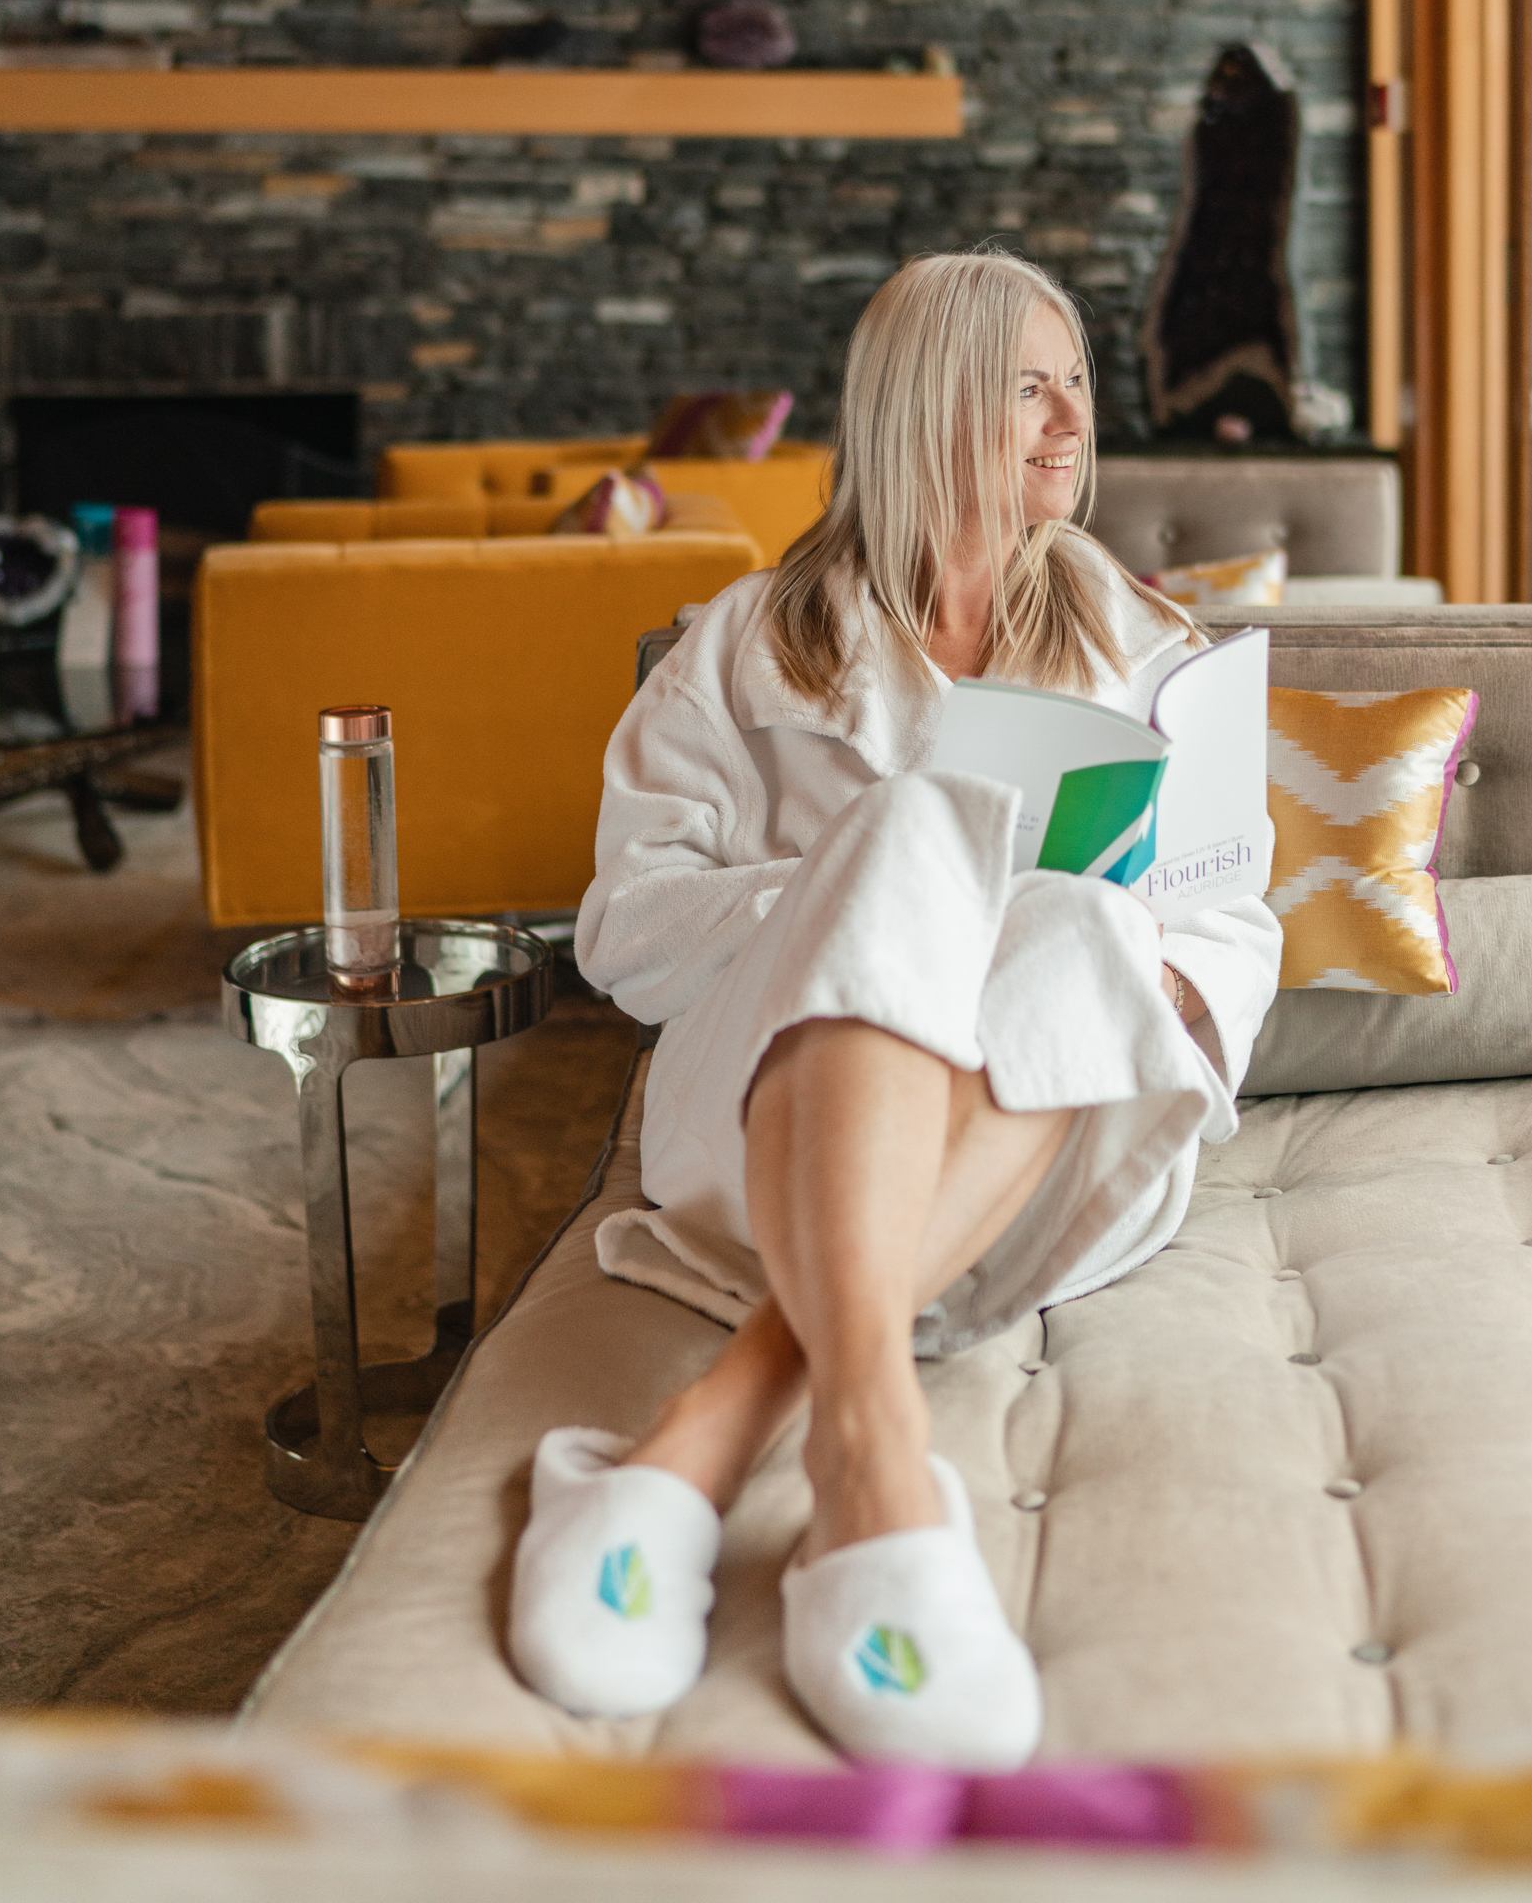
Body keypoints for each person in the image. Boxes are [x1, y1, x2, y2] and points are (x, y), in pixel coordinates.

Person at [510, 249, 1282, 1767]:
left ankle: (717, 1435)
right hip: (775, 1108)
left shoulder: (1152, 652)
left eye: (1078, 386)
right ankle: (874, 1464)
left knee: (1071, 922)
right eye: (1028, 388)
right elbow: (625, 932)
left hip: (1051, 1138)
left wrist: (1083, 935)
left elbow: (1226, 927)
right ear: (927, 406)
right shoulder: (741, 647)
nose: (1072, 424)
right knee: (914, 841)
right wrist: (860, 894)